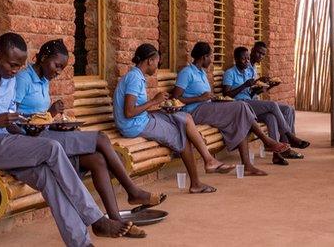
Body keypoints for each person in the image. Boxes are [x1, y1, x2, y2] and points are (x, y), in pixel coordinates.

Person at [0, 33, 132, 246]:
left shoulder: (7, 79)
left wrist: (30, 131)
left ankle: (81, 243)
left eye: (19, 66)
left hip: (4, 144)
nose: (16, 71)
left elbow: (7, 121)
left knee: (46, 175)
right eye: (13, 64)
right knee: (52, 148)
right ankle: (96, 218)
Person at [15, 39, 164, 234]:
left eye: (62, 68)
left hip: (48, 132)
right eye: (56, 65)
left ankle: (116, 219)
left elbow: (40, 116)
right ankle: (133, 191)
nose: (58, 71)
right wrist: (48, 114)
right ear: (43, 58)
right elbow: (13, 115)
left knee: (98, 160)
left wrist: (54, 118)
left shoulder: (43, 80)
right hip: (35, 140)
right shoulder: (24, 78)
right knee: (101, 138)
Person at [113, 43, 231, 194]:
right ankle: (196, 182)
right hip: (133, 125)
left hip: (139, 120)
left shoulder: (135, 75)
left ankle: (209, 161)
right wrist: (155, 101)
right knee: (182, 135)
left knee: (185, 117)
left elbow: (134, 108)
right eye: (157, 62)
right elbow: (129, 112)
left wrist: (158, 106)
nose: (157, 66)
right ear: (149, 61)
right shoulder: (135, 78)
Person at [172, 42, 291, 175]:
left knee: (240, 117)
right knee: (241, 106)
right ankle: (266, 141)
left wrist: (211, 98)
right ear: (204, 57)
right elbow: (175, 98)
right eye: (210, 57)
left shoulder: (201, 72)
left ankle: (248, 166)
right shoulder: (187, 72)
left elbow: (204, 96)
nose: (211, 60)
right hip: (194, 111)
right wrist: (200, 98)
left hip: (207, 106)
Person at [223, 42, 309, 166]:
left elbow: (252, 93)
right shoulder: (230, 73)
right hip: (241, 106)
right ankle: (289, 136)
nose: (246, 61)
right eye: (244, 58)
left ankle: (277, 155)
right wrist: (245, 85)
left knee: (273, 116)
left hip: (252, 103)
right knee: (272, 105)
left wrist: (267, 86)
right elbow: (227, 94)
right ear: (236, 59)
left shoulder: (248, 71)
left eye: (247, 58)